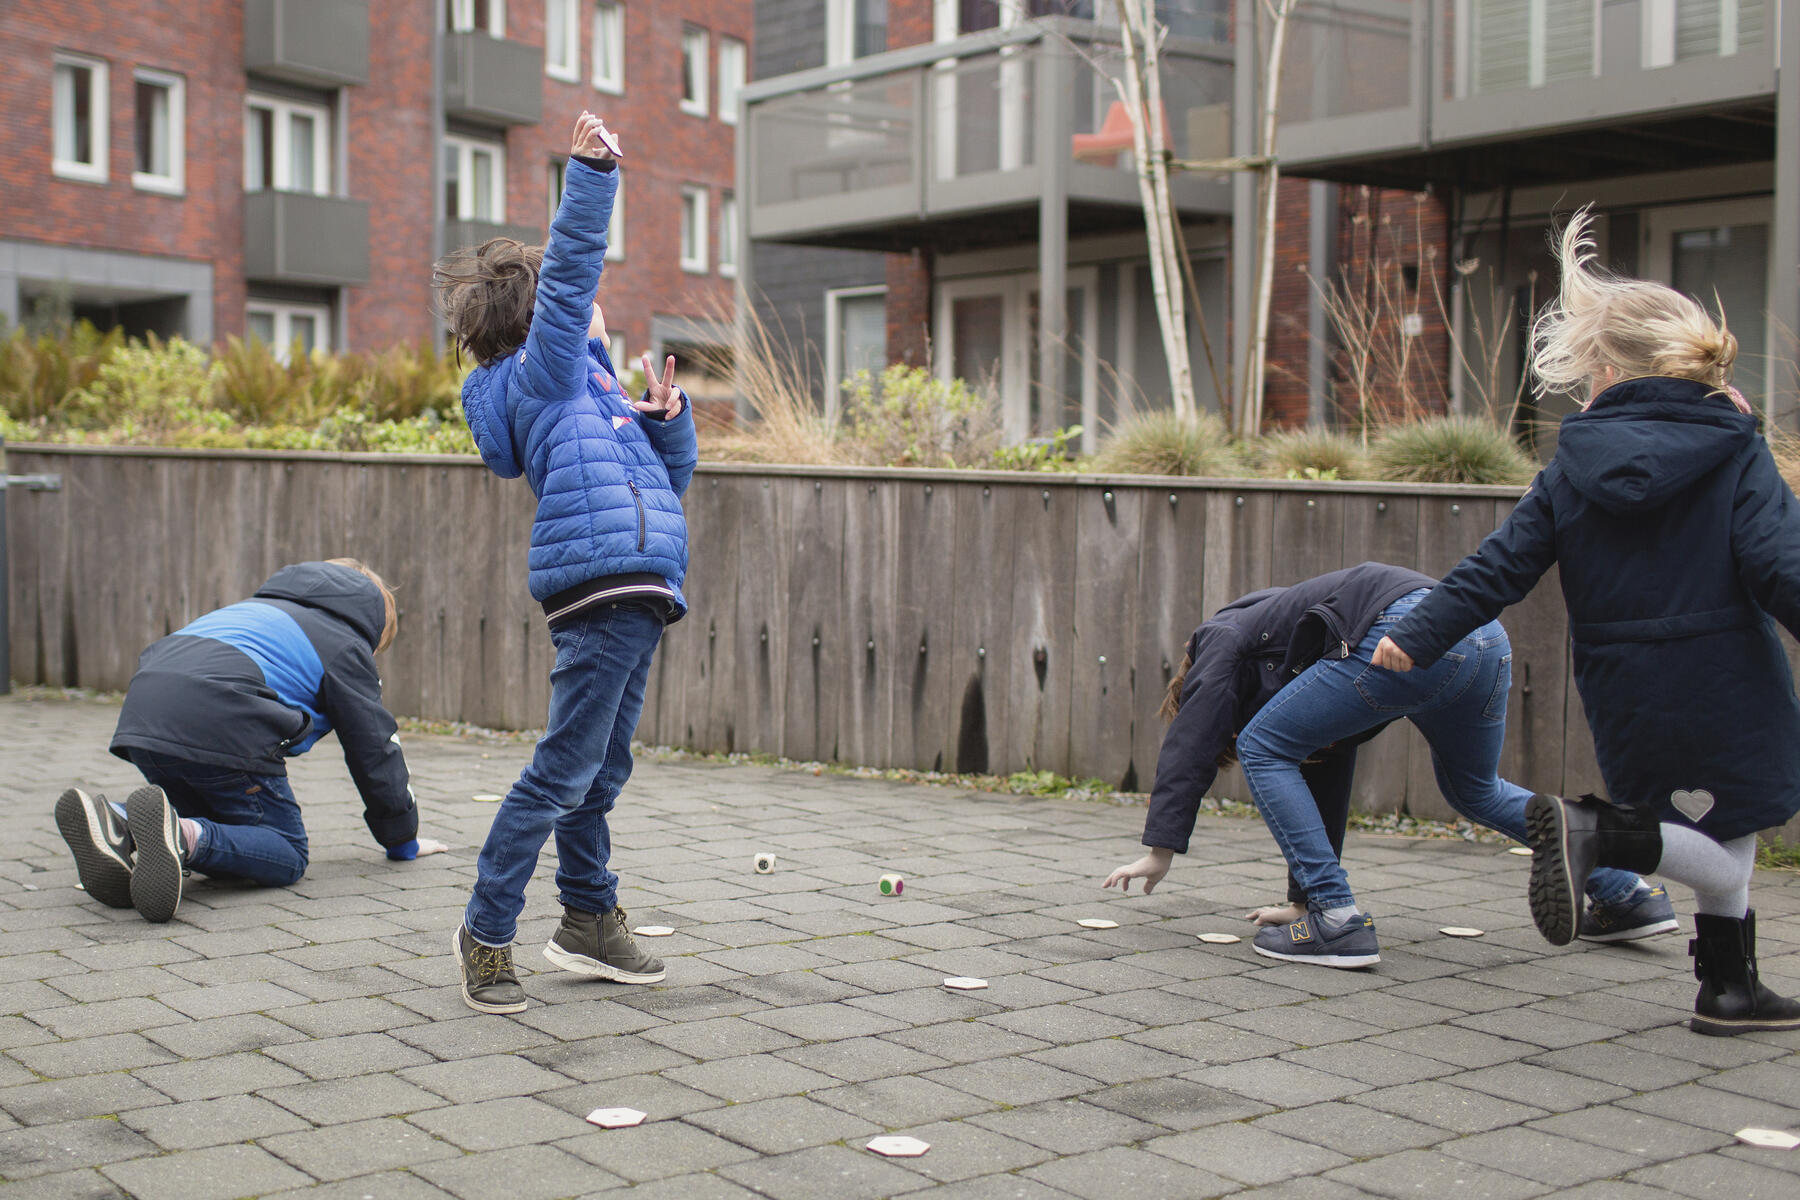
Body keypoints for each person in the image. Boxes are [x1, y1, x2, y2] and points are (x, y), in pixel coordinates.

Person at [1373, 208, 1800, 1034]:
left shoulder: (1572, 464)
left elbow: (1501, 565)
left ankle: (1730, 989)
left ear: (1605, 368)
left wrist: (1418, 633)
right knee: (1728, 824)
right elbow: (1781, 565)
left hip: (1622, 682)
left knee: (1723, 827)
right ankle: (1597, 835)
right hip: (1726, 675)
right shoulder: (1734, 449)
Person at [435, 112, 698, 1014]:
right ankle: (485, 932)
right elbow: (574, 272)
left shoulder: (591, 389)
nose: (594, 304)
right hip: (603, 592)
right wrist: (590, 176)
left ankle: (586, 920)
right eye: (570, 300)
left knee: (599, 771)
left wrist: (670, 423)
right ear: (539, 316)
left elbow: (668, 485)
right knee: (561, 773)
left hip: (638, 589)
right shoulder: (545, 372)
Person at [1102, 561, 1670, 968]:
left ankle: (1336, 921)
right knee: (1476, 790)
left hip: (1406, 630)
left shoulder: (1220, 639)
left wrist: (1160, 850)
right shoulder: (1292, 644)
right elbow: (1326, 764)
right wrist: (1299, 903)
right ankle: (1624, 894)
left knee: (1261, 745)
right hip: (1482, 635)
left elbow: (1193, 737)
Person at [57, 558, 439, 925]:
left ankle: (119, 820)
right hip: (223, 724)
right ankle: (181, 836)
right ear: (373, 622)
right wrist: (402, 839)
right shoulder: (344, 642)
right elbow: (375, 747)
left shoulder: (250, 611)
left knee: (223, 828)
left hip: (144, 716)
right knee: (286, 852)